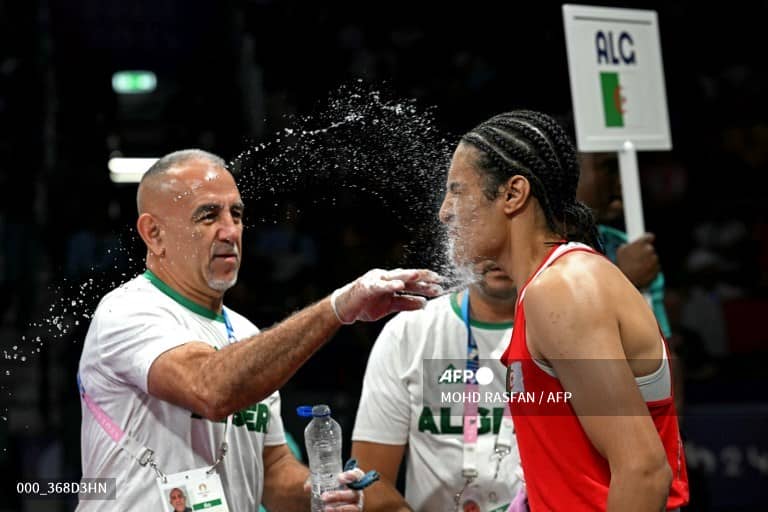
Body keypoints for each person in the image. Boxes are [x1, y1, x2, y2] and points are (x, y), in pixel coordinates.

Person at [77, 149, 443, 511]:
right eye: (208, 215)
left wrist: (322, 490)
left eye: (236, 214)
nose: (230, 231)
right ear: (153, 233)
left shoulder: (245, 332)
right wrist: (337, 307)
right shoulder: (126, 310)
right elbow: (210, 388)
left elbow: (273, 472)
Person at [438, 110, 688, 510]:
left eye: (457, 191)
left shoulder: (562, 289)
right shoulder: (547, 287)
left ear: (513, 194)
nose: (445, 211)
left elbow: (643, 471)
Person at [351, 261, 524, 511]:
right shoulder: (408, 331)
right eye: (489, 241)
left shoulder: (568, 331)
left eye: (511, 241)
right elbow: (370, 482)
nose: (498, 253)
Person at [576, 151, 671, 338]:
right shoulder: (526, 250)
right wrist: (624, 281)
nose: (623, 183)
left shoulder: (628, 247)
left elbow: (662, 348)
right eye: (610, 168)